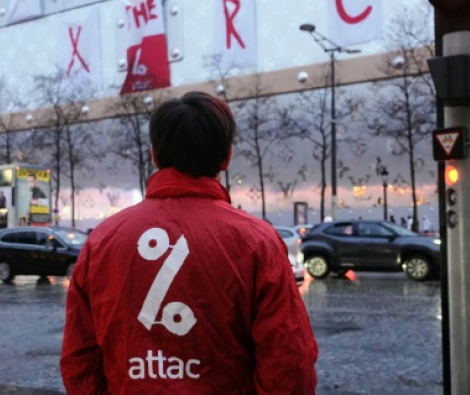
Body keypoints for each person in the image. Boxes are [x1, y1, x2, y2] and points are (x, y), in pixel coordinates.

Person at [60, 91, 317, 394]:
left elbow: (79, 359)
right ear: (226, 158)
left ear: (154, 154)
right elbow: (289, 363)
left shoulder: (102, 241)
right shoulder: (259, 242)